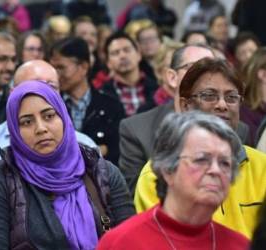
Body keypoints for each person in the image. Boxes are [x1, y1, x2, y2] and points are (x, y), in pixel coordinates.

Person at [0, 80, 135, 249]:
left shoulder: (102, 173)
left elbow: (131, 241)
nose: (41, 128)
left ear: (64, 118)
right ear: (14, 130)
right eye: (27, 122)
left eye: (48, 116)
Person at [134, 58, 266, 239]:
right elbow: (156, 239)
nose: (222, 105)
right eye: (209, 95)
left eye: (231, 97)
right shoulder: (159, 173)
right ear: (185, 105)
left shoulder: (262, 166)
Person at [97, 111, 249, 250]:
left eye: (225, 163)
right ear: (168, 169)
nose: (215, 170)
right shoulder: (121, 243)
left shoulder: (240, 245)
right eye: (202, 159)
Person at [0, 59, 98, 218]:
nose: (43, 93)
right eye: (33, 87)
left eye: (51, 86)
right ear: (12, 93)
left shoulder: (85, 146)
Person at [118, 44, 215, 193]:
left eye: (212, 70)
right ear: (172, 77)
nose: (206, 76)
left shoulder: (237, 129)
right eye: (195, 68)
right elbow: (135, 196)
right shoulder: (137, 129)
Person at [50, 37, 125, 165]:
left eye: (61, 67)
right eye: (53, 68)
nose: (56, 74)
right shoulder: (50, 105)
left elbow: (117, 151)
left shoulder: (110, 106)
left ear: (83, 67)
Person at [101, 31, 158, 116]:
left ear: (139, 55)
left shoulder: (157, 89)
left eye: (127, 50)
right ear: (108, 63)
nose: (122, 56)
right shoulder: (102, 95)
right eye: (115, 53)